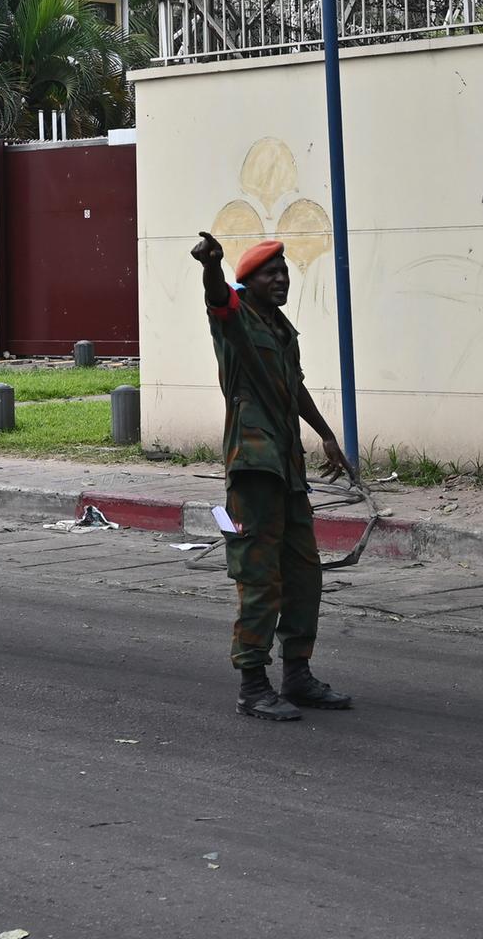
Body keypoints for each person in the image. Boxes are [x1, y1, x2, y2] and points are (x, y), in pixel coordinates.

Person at [190, 230, 355, 722]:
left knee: (304, 575)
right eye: (270, 273)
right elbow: (217, 299)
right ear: (249, 282)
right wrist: (210, 266)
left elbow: (295, 388)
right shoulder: (235, 320)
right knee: (260, 579)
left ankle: (298, 675)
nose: (281, 278)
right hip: (254, 468)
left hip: (288, 469)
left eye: (284, 272)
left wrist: (326, 435)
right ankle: (253, 685)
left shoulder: (282, 330)